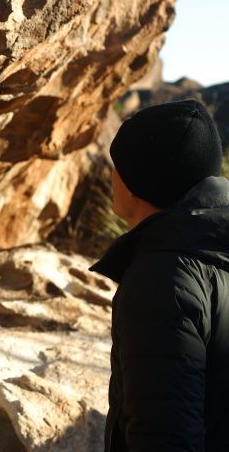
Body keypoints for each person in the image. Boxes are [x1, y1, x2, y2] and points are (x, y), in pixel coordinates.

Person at [90, 99, 229, 451]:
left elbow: (165, 438)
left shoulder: (162, 282)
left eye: (116, 167)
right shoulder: (216, 249)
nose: (111, 177)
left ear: (138, 183)